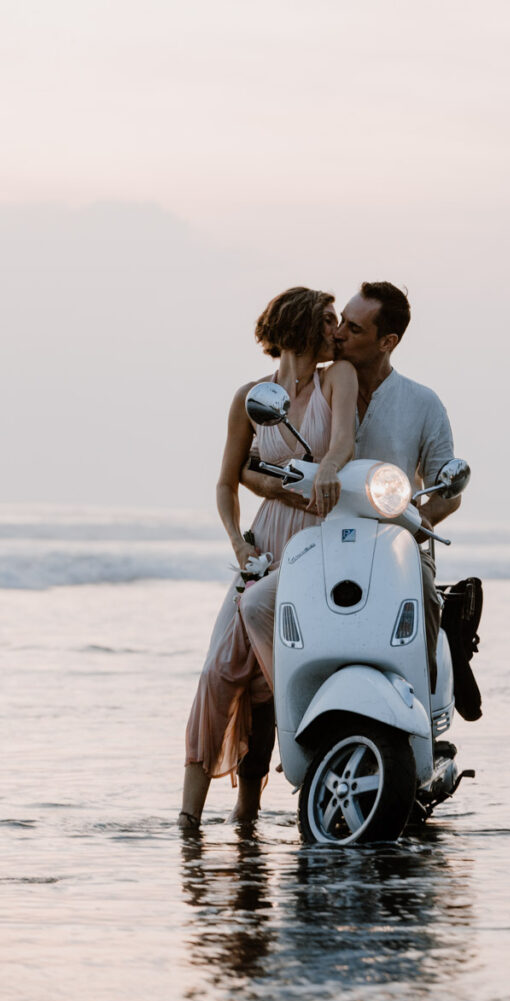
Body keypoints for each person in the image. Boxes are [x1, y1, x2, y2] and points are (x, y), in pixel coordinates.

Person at [178, 287, 358, 828]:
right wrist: (238, 543)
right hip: (265, 542)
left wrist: (328, 468)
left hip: (318, 540)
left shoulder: (338, 379)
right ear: (302, 325)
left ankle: (251, 807)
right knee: (220, 672)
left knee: (276, 676)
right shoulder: (251, 395)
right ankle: (188, 816)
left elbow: (343, 438)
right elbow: (227, 481)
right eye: (329, 320)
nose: (338, 330)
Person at [244, 281, 461, 692]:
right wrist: (277, 489)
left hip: (393, 543)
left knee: (427, 598)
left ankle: (423, 704)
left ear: (388, 341)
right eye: (340, 321)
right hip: (321, 539)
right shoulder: (318, 388)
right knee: (257, 605)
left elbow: (448, 491)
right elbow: (257, 466)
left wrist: (410, 524)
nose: (339, 332)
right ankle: (291, 707)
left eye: (355, 329)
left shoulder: (423, 402)